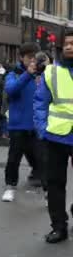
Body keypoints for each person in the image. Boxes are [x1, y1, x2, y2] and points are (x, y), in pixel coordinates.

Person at [34, 31, 73, 243]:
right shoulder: (52, 73)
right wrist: (42, 128)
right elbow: (40, 102)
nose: (68, 47)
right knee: (55, 184)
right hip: (56, 136)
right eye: (66, 44)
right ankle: (59, 226)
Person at [2, 43, 42, 202]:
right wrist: (27, 74)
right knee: (13, 159)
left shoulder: (42, 74)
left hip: (36, 124)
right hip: (18, 125)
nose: (32, 60)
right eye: (29, 57)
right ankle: (10, 187)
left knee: (41, 159)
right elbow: (11, 90)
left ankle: (47, 192)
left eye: (35, 57)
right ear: (21, 58)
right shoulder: (14, 74)